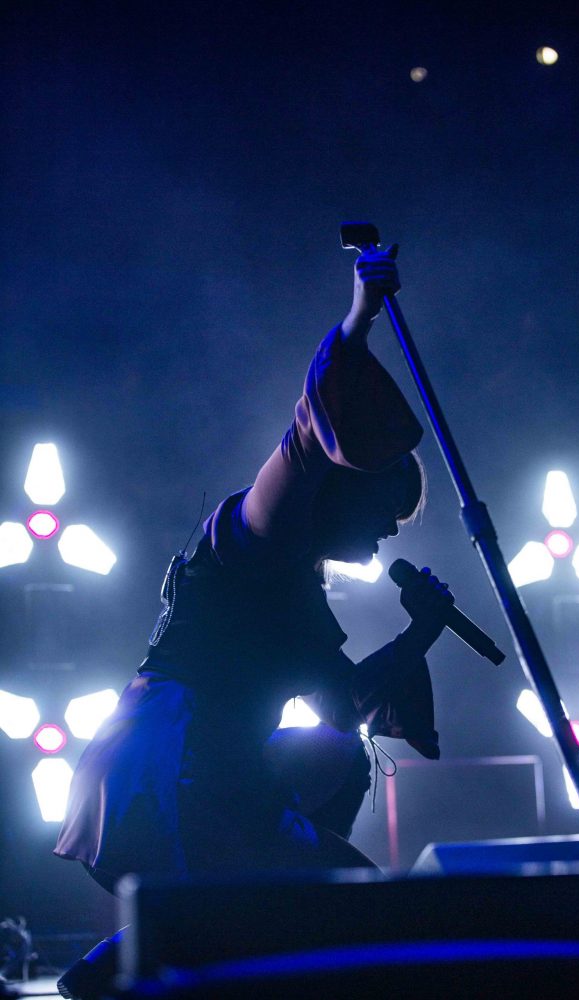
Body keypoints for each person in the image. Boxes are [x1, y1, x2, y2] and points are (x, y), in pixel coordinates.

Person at [54, 244, 452, 891]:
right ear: (350, 492)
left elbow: (341, 707)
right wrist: (360, 318)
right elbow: (306, 437)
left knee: (342, 762)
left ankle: (195, 935)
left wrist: (421, 633)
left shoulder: (296, 587)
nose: (388, 531)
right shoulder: (257, 534)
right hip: (167, 773)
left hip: (211, 773)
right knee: (348, 898)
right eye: (387, 511)